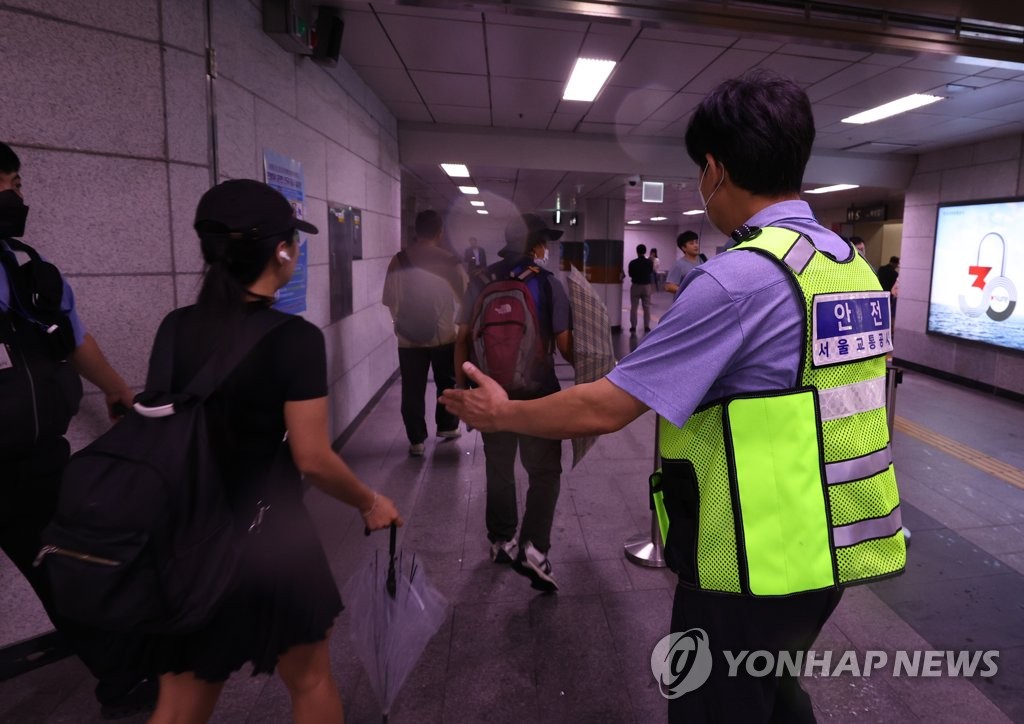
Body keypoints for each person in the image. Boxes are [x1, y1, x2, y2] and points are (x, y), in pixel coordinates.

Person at [442, 72, 905, 723]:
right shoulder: (848, 264)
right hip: (839, 545)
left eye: (699, 172)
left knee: (712, 705)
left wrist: (503, 413)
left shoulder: (738, 279)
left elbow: (607, 406)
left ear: (715, 170)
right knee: (774, 687)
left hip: (755, 557)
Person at [144, 179, 401, 724]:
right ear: (281, 251)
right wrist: (368, 500)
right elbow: (311, 457)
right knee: (308, 680)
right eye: (295, 242)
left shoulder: (173, 329)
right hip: (271, 536)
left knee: (180, 701)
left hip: (185, 538)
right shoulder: (294, 339)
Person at [0, 141, 157, 718]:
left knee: (66, 565)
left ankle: (123, 678)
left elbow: (71, 335)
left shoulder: (23, 267)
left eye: (17, 183)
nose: (17, 196)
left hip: (33, 458)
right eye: (8, 184)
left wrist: (116, 386)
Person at [454, 213, 573, 592]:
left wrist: (464, 390)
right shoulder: (548, 284)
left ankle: (501, 542)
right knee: (544, 471)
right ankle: (533, 549)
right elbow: (566, 346)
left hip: (490, 392)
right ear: (536, 246)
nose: (547, 249)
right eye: (545, 243)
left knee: (499, 467)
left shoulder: (479, 281)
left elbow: (461, 340)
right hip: (538, 395)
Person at [382, 210, 467, 456]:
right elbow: (466, 299)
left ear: (416, 231)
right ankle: (447, 427)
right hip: (444, 337)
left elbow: (390, 300)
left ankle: (416, 440)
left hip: (408, 339)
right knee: (447, 384)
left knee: (412, 389)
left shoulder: (399, 260)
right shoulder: (451, 261)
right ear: (440, 233)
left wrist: (401, 321)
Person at [626, 243, 654, 333]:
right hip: (646, 286)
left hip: (636, 286)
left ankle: (633, 327)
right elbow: (650, 272)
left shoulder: (632, 263)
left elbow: (630, 274)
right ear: (645, 251)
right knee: (647, 307)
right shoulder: (649, 262)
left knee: (634, 307)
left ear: (637, 252)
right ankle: (647, 327)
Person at [877, 255, 899, 321]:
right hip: (887, 295)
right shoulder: (894, 273)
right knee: (886, 314)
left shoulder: (881, 269)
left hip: (878, 293)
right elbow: (893, 287)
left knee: (879, 312)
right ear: (895, 263)